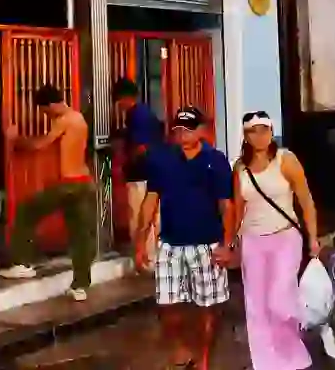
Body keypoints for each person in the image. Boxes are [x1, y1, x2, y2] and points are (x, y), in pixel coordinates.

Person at [135, 107, 234, 369]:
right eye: (179, 127)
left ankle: (203, 359)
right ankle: (180, 348)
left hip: (207, 244)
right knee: (166, 305)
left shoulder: (216, 160)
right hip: (170, 245)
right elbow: (150, 200)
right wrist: (139, 242)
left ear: (202, 130)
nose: (183, 132)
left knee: (209, 305)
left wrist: (228, 244)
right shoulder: (161, 160)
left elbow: (227, 205)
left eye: (189, 127)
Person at [229, 111, 318, 370]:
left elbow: (306, 201)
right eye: (253, 131)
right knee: (256, 305)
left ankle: (293, 357)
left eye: (265, 130)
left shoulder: (285, 160)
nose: (260, 136)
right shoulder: (240, 167)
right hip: (252, 240)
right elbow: (237, 208)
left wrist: (313, 238)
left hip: (284, 236)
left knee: (280, 299)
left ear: (271, 132)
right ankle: (265, 362)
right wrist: (231, 243)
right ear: (245, 136)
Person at [0, 85, 95, 302]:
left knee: (26, 212)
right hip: (84, 182)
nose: (45, 115)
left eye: (44, 110)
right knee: (79, 235)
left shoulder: (64, 120)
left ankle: (22, 263)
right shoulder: (79, 118)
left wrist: (15, 139)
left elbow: (39, 145)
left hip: (68, 184)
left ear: (50, 105)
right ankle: (80, 286)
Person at [113, 77, 164, 268]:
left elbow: (140, 146)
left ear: (124, 98)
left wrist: (125, 161)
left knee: (140, 214)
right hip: (152, 170)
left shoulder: (137, 115)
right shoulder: (145, 113)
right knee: (153, 215)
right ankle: (153, 255)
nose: (118, 106)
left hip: (141, 173)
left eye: (118, 101)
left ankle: (146, 258)